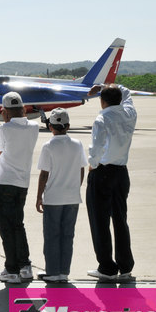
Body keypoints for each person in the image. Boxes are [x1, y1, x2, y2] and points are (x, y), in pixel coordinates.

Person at [85, 84, 137, 281]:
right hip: (121, 172)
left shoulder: (102, 119)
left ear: (102, 101)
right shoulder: (129, 114)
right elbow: (127, 93)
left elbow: (96, 148)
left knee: (100, 221)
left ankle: (107, 267)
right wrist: (104, 87)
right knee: (120, 219)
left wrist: (92, 165)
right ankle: (125, 267)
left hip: (103, 172)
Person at [35, 108, 87, 283]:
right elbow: (81, 169)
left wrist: (39, 196)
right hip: (72, 197)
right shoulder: (77, 144)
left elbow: (44, 174)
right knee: (67, 235)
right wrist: (75, 187)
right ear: (68, 126)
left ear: (50, 126)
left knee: (52, 235)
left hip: (53, 198)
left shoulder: (48, 146)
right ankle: (64, 272)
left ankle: (52, 271)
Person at [0, 92, 39, 284]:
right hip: (22, 183)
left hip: (5, 181)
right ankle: (25, 266)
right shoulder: (34, 127)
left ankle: (11, 269)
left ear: (5, 112)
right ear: (23, 109)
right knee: (18, 224)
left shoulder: (4, 128)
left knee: (6, 227)